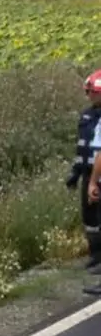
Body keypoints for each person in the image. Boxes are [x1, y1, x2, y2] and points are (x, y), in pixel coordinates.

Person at [66, 69, 101, 271]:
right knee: (89, 218)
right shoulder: (87, 115)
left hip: (98, 174)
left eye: (92, 92)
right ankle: (95, 254)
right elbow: (84, 146)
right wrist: (76, 172)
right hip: (89, 172)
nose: (88, 96)